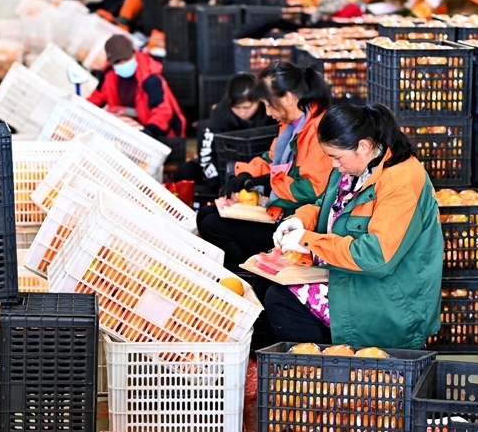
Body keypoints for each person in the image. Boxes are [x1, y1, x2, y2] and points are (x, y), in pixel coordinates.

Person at [266, 103, 443, 349]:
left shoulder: (401, 183)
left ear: (363, 146)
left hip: (388, 300)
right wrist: (300, 220)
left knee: (280, 301)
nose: (334, 165)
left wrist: (310, 241)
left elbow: (377, 256)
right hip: (358, 281)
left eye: (336, 157)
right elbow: (327, 206)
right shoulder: (356, 167)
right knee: (269, 289)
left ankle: (326, 367)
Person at [197, 61, 333, 270]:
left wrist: (269, 184)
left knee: (213, 225)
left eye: (269, 105)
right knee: (206, 214)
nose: (268, 112)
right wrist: (244, 174)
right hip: (280, 209)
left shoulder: (317, 132)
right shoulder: (291, 125)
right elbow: (271, 160)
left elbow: (312, 190)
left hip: (295, 222)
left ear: (287, 98)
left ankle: (243, 275)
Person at [174, 73, 274, 193]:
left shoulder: (270, 113)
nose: (242, 113)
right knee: (185, 172)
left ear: (258, 101)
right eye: (237, 108)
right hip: (224, 169)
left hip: (260, 169)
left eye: (247, 107)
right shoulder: (220, 113)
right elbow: (206, 153)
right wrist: (215, 183)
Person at [88, 34, 186, 138]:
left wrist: (148, 132)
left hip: (158, 134)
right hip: (128, 131)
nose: (123, 63)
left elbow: (163, 112)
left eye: (126, 58)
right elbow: (95, 99)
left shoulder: (150, 78)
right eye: (117, 62)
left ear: (134, 53)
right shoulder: (108, 76)